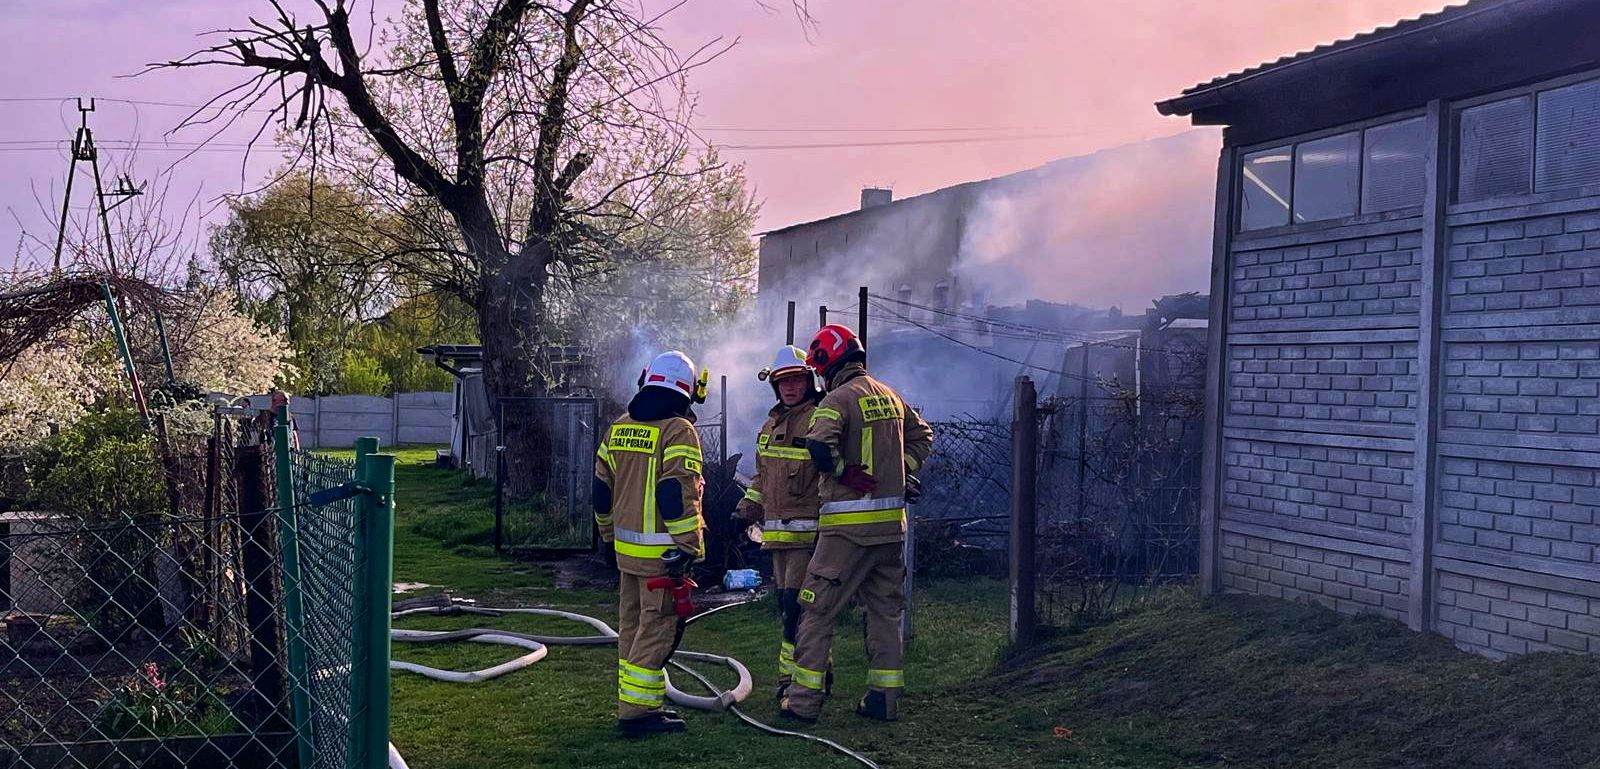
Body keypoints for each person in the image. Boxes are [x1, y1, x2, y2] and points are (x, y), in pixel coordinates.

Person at [781, 323, 933, 724]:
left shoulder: (837, 399)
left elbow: (818, 445)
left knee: (816, 611)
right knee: (885, 611)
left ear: (830, 362)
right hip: (891, 530)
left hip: (846, 531)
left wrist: (845, 473)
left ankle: (802, 703)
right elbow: (924, 437)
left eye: (819, 368)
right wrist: (900, 471)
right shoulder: (891, 396)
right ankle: (884, 699)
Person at [594, 351, 709, 736]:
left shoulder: (619, 427)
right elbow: (676, 493)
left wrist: (609, 537)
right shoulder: (678, 430)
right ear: (690, 389)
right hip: (664, 556)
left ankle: (634, 701)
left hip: (627, 553)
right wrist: (690, 545)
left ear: (648, 380)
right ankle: (638, 714)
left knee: (631, 628)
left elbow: (600, 492)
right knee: (657, 628)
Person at [735, 345, 826, 701]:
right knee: (786, 608)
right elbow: (762, 477)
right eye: (783, 381)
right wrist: (747, 507)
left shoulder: (820, 418)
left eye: (796, 380)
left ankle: (796, 680)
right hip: (777, 538)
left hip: (808, 538)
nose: (789, 387)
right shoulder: (770, 424)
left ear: (809, 381)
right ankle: (807, 675)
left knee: (796, 608)